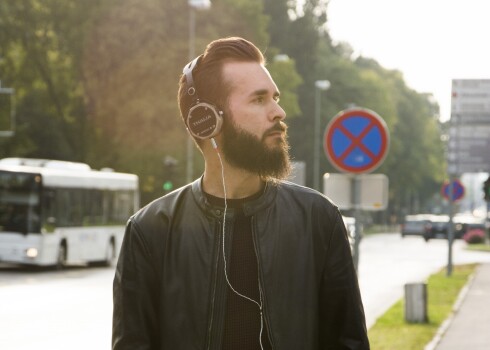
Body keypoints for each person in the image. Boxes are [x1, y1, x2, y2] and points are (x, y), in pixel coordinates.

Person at [112, 36, 370, 350]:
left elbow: (349, 343)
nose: (279, 112)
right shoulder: (150, 229)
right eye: (259, 99)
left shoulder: (318, 218)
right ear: (207, 120)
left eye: (275, 97)